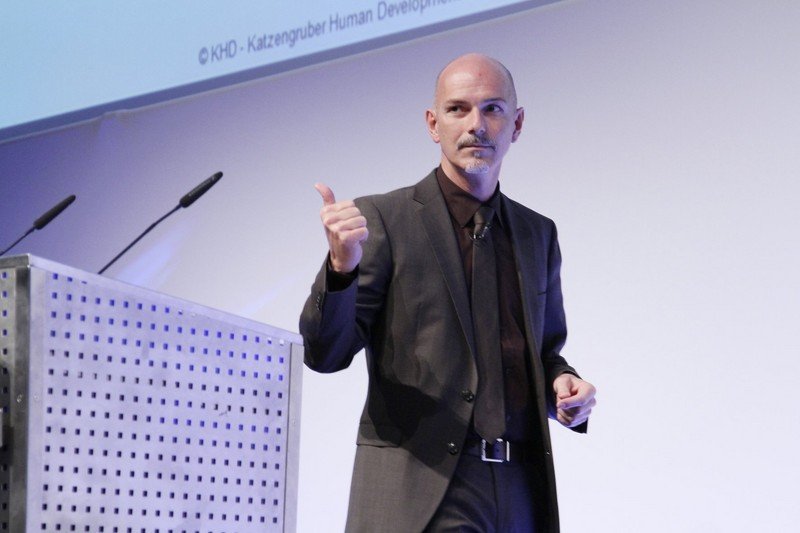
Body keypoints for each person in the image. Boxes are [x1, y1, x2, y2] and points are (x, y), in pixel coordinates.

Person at [299, 53, 596, 532]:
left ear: (517, 124)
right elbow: (325, 354)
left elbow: (543, 353)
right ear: (433, 124)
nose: (476, 124)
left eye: (493, 109)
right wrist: (341, 268)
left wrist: (564, 385)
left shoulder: (537, 233)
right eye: (458, 109)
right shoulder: (385, 220)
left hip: (519, 488)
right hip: (424, 488)